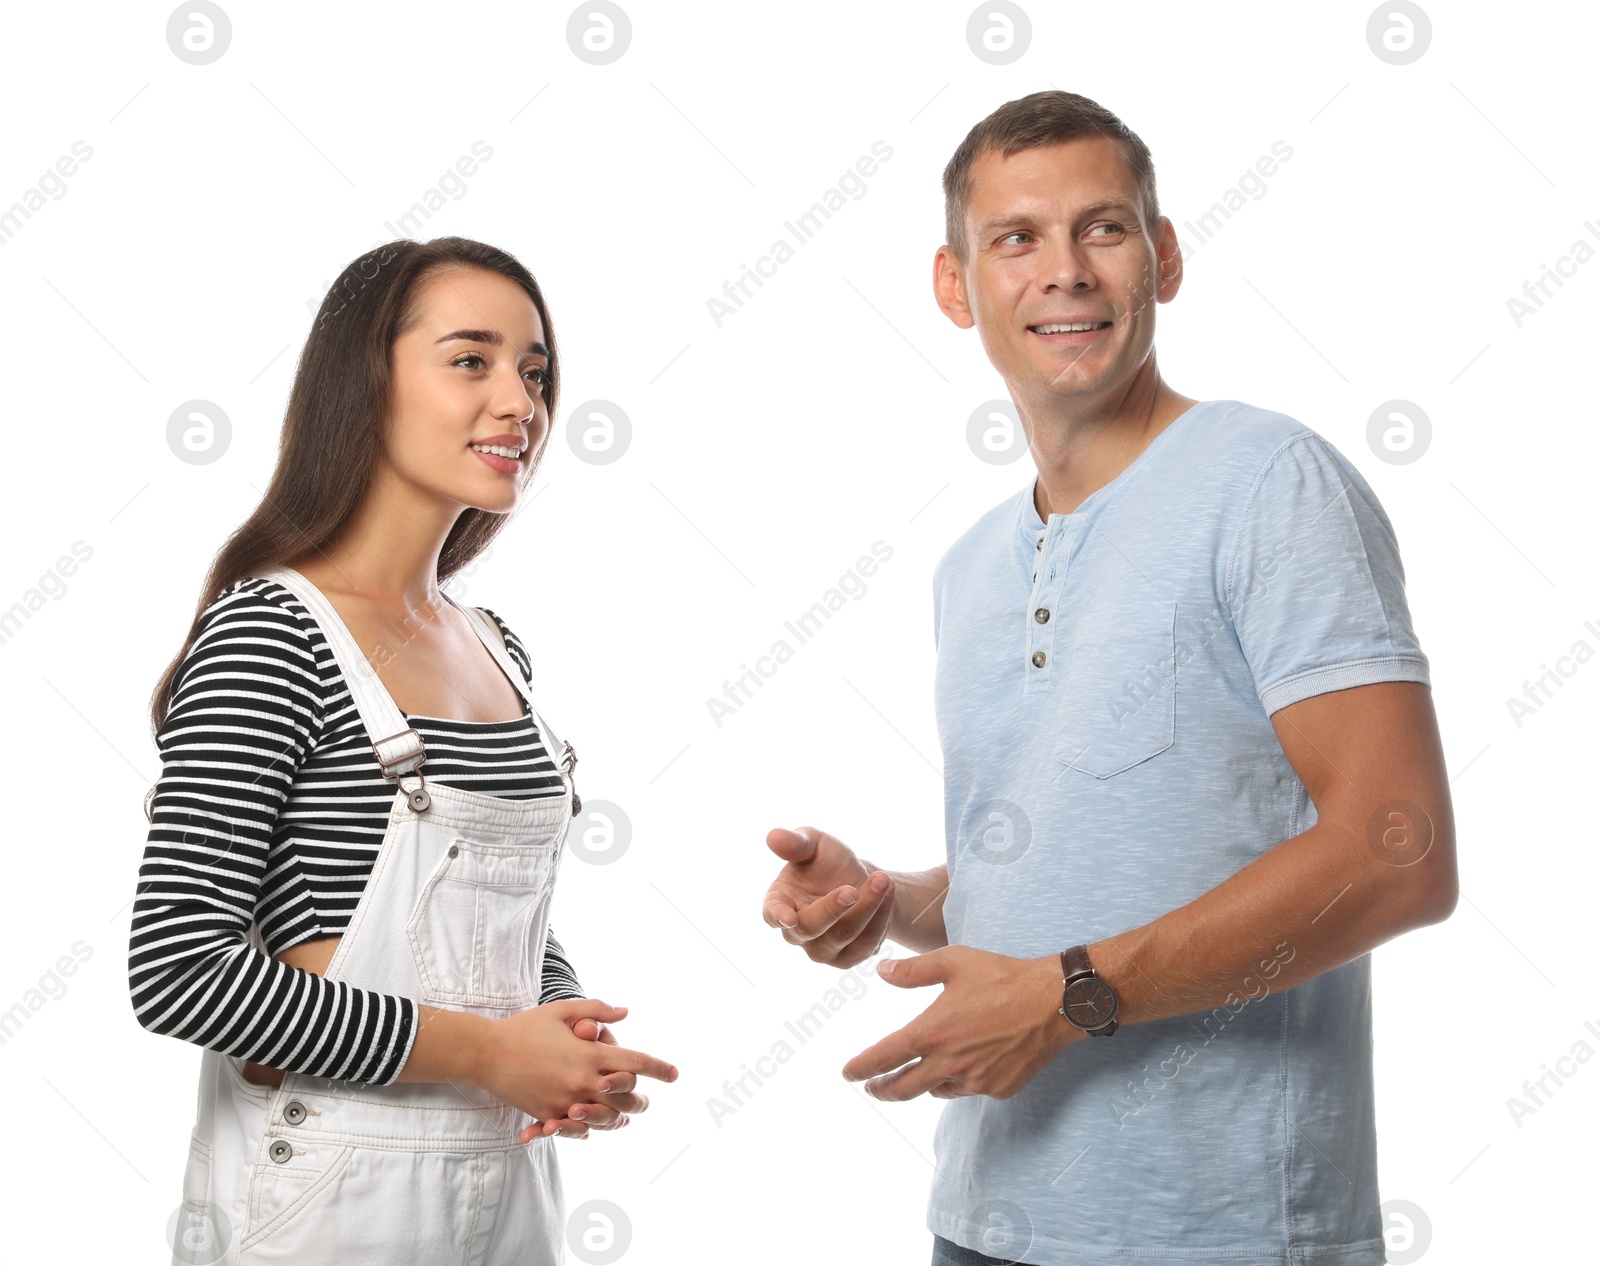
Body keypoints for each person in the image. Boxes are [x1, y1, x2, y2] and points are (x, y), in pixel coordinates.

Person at [761, 90, 1457, 1266]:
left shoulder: (1270, 483)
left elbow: (1401, 854)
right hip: (986, 1216)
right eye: (1015, 238)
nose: (1064, 271)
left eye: (1104, 228)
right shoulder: (969, 564)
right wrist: (896, 898)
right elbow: (1100, 846)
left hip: (1221, 1232)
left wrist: (1070, 995)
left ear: (1164, 256)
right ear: (954, 284)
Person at [131, 236, 677, 1265]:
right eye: (470, 359)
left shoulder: (493, 644)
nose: (519, 402)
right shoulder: (272, 635)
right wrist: (487, 1052)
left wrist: (557, 1024)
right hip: (328, 1199)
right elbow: (178, 969)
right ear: (364, 383)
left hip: (506, 1187)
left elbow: (491, 927)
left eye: (535, 371)